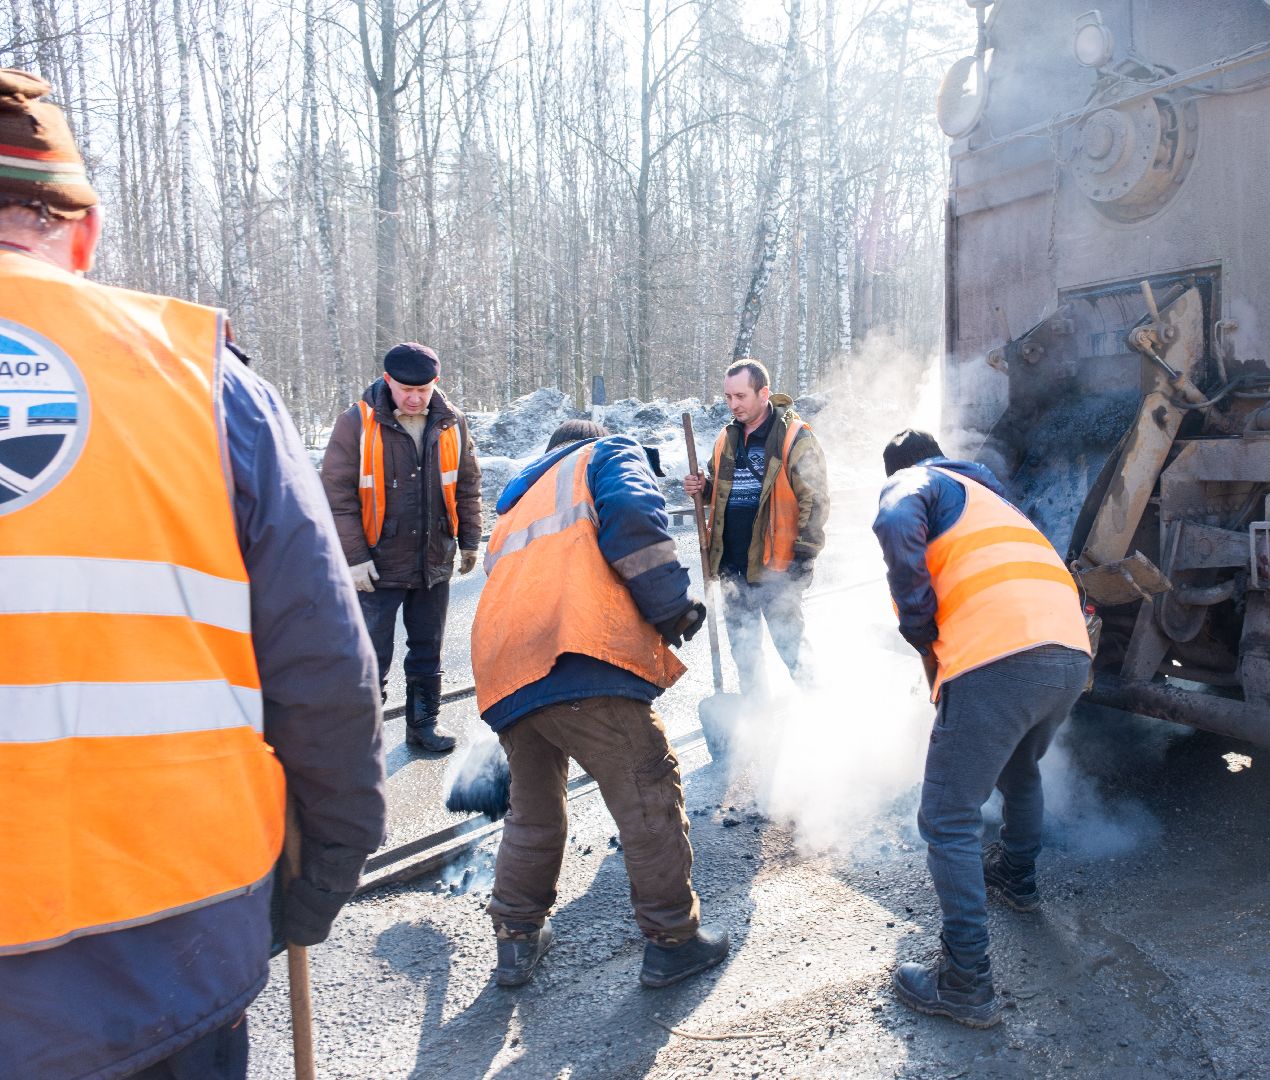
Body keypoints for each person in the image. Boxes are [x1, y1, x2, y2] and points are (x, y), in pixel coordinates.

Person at [0, 69, 386, 1077]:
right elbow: (326, 671)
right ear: (81, 236)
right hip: (172, 958)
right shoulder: (202, 388)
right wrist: (322, 873)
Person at [470, 419, 729, 990]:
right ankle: (672, 941)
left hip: (506, 668)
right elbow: (634, 517)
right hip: (578, 651)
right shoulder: (605, 453)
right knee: (646, 793)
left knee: (532, 810)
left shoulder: (516, 504)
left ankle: (516, 937)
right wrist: (672, 606)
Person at [871, 429, 1092, 1029]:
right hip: (1070, 653)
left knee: (946, 816)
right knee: (1021, 770)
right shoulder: (997, 502)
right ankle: (1017, 879)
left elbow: (895, 519)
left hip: (1000, 656)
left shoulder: (919, 481)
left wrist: (918, 625)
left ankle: (964, 980)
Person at [321, 341, 482, 752]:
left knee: (428, 649)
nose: (414, 398)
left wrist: (468, 541)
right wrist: (354, 558)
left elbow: (467, 486)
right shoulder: (356, 423)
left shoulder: (453, 423)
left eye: (423, 391)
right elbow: (337, 496)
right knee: (369, 656)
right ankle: (363, 739)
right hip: (376, 564)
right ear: (388, 380)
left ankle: (423, 725)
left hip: (433, 560)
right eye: (405, 389)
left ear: (436, 384)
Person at [681, 359, 829, 693]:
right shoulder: (726, 438)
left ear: (763, 393)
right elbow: (719, 490)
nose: (733, 404)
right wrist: (701, 489)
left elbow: (816, 499)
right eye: (728, 397)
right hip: (734, 569)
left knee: (793, 649)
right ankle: (756, 720)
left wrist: (803, 559)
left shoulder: (795, 437)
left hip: (776, 568)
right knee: (745, 656)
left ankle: (821, 713)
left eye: (740, 396)